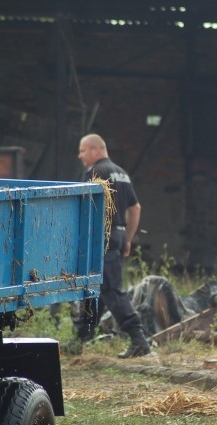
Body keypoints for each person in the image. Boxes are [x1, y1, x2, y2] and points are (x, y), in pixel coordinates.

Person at [74, 133, 151, 358]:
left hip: (101, 238)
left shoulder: (96, 173)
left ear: (96, 150)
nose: (79, 156)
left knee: (111, 289)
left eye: (82, 150)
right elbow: (135, 208)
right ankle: (82, 337)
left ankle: (138, 339)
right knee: (94, 287)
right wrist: (128, 238)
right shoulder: (122, 173)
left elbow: (85, 207)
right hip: (117, 235)